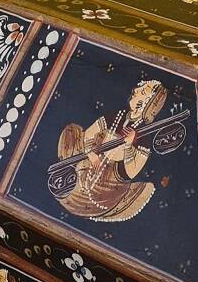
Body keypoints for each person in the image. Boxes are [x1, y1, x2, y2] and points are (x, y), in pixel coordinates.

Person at [54, 79, 168, 222]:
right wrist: (91, 153)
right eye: (139, 87)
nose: (135, 90)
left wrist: (128, 146)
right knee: (72, 131)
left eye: (142, 91)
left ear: (147, 104)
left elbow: (131, 172)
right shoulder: (116, 116)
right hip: (90, 166)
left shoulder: (145, 138)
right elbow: (89, 134)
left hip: (108, 186)